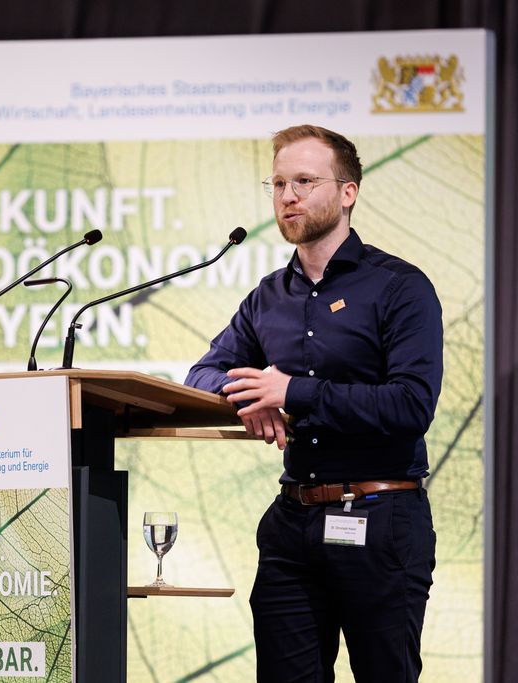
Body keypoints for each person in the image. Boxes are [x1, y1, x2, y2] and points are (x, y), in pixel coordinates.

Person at [185, 124, 442, 682]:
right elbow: (203, 374)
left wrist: (292, 392)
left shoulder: (400, 287)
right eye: (277, 183)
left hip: (380, 517)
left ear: (348, 192)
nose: (287, 196)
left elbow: (411, 405)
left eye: (303, 180)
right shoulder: (268, 297)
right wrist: (246, 398)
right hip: (293, 524)